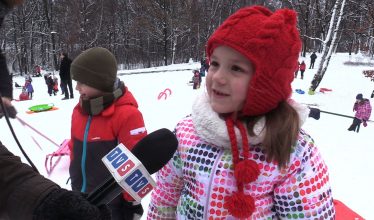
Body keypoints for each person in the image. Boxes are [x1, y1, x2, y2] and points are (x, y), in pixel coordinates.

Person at [147, 6, 335, 219]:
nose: (217, 76)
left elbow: (309, 214)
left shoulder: (294, 151)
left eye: (236, 68)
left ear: (267, 83)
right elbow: (165, 196)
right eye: (214, 63)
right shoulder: (187, 132)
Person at [0, 1, 111, 219]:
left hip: (107, 195)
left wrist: (47, 201)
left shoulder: (123, 115)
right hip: (84, 186)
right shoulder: (79, 113)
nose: (78, 87)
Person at [69, 47, 147, 220]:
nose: (76, 87)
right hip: (80, 194)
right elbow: (74, 146)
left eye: (82, 82)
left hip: (111, 203)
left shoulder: (127, 115)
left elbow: (136, 165)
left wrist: (131, 203)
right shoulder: (79, 110)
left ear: (99, 82)